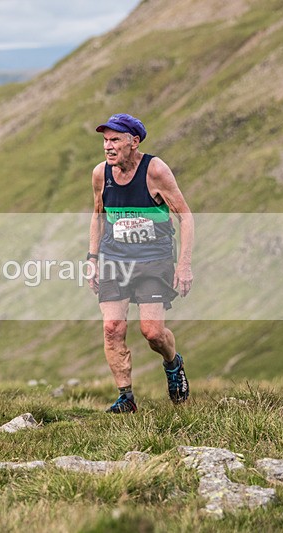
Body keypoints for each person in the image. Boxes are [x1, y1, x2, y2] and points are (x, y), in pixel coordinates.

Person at [87, 113, 194, 413]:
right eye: (105, 140)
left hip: (153, 259)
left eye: (115, 140)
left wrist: (184, 265)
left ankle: (173, 364)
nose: (108, 147)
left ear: (134, 142)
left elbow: (185, 217)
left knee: (152, 332)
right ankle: (126, 398)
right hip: (114, 258)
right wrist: (92, 258)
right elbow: (97, 215)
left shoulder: (155, 171)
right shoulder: (100, 174)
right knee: (112, 327)